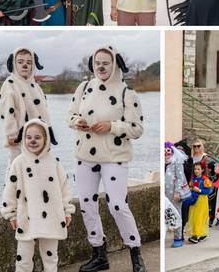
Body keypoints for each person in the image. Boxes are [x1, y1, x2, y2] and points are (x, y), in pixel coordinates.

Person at [68, 46, 146, 272]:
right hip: (84, 155)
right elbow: (70, 114)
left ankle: (135, 254)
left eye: (105, 62)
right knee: (87, 204)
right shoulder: (83, 87)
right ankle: (99, 254)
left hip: (114, 157)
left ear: (115, 65)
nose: (100, 67)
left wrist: (111, 126)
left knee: (118, 205)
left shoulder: (127, 93)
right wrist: (77, 122)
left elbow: (137, 128)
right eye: (97, 62)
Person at [1, 119, 74, 272]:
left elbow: (65, 188)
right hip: (26, 217)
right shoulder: (18, 163)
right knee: (23, 258)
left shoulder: (54, 162)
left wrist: (67, 211)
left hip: (52, 217)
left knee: (51, 258)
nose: (32, 141)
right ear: (23, 139)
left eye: (37, 137)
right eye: (28, 137)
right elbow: (10, 190)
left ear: (46, 139)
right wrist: (11, 214)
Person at [0, 48, 53, 167]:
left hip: (38, 137)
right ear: (13, 64)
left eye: (29, 63)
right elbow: (7, 110)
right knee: (17, 167)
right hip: (19, 136)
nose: (24, 65)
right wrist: (11, 133)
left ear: (33, 66)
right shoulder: (10, 84)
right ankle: (13, 186)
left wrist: (48, 132)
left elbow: (44, 110)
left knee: (38, 168)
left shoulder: (35, 85)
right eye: (20, 62)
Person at [165, 142, 189, 248]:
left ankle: (178, 237)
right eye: (164, 150)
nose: (166, 152)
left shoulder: (177, 162)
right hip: (165, 193)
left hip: (174, 193)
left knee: (177, 214)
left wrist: (177, 192)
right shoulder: (163, 163)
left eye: (168, 150)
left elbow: (180, 178)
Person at [185, 162, 213, 244]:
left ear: (202, 170)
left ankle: (196, 235)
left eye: (198, 169)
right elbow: (189, 187)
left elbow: (209, 191)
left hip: (201, 200)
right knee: (193, 217)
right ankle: (200, 234)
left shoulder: (205, 180)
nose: (196, 171)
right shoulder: (193, 179)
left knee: (199, 217)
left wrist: (200, 190)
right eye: (195, 169)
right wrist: (190, 189)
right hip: (193, 200)